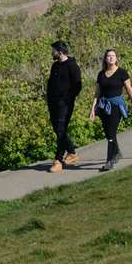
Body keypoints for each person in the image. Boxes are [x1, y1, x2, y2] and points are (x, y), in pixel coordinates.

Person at [93, 49, 132, 172]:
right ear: (105, 59)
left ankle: (109, 161)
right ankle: (117, 152)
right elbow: (97, 93)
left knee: (111, 133)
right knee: (109, 133)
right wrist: (93, 109)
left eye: (113, 56)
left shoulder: (122, 73)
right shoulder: (101, 74)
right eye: (108, 56)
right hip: (103, 107)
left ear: (116, 58)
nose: (111, 58)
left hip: (116, 107)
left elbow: (129, 89)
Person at [45, 40, 82, 173]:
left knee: (61, 129)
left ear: (60, 52)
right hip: (53, 104)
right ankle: (71, 153)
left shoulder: (72, 66)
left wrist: (67, 99)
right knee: (58, 130)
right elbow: (50, 85)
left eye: (53, 50)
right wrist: (49, 100)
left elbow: (78, 86)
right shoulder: (55, 66)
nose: (52, 53)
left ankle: (58, 160)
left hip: (65, 104)